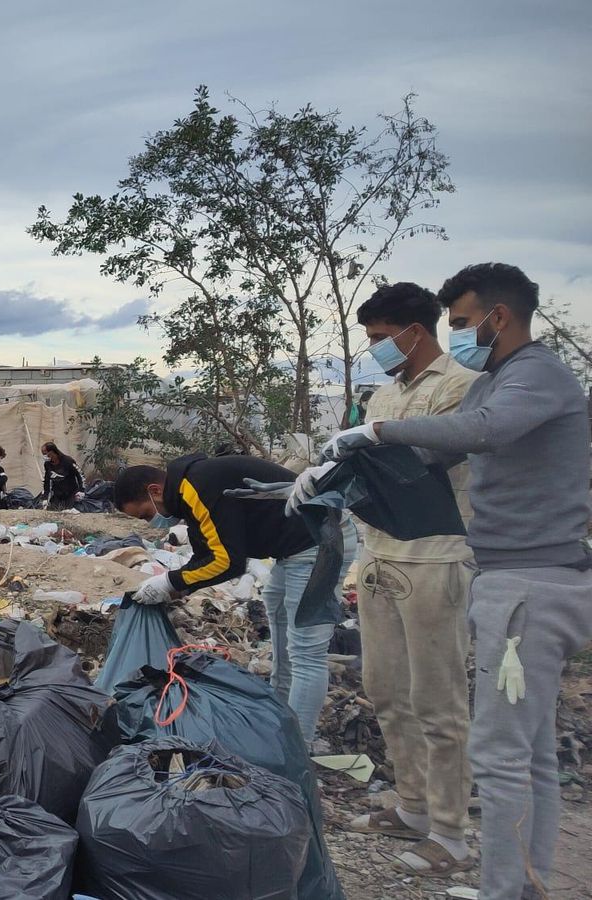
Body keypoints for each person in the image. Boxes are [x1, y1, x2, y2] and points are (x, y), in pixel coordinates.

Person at [314, 263, 592, 896]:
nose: (459, 332)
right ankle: (521, 881)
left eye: (463, 322)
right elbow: (433, 452)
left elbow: (478, 433)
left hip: (520, 579)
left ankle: (486, 869)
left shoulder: (533, 375)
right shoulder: (502, 378)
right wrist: (339, 468)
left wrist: (375, 431)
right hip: (496, 572)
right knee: (526, 753)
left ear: (497, 317)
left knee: (499, 754)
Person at [326, 282, 477, 873]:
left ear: (416, 331)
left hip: (435, 556)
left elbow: (423, 462)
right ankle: (411, 806)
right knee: (387, 690)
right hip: (380, 555)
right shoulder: (385, 394)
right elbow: (365, 469)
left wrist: (371, 448)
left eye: (382, 337)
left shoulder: (462, 388)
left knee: (437, 701)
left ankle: (451, 832)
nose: (376, 348)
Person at [114, 454, 357, 745]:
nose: (151, 521)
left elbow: (228, 561)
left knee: (305, 652)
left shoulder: (198, 487)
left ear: (154, 491)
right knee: (281, 635)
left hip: (319, 542)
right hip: (295, 548)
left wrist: (171, 581)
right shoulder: (189, 489)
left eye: (144, 514)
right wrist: (178, 585)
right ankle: (280, 726)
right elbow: (208, 550)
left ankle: (299, 750)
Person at [40, 442, 84, 510]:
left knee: (70, 511)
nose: (44, 456)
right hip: (57, 494)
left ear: (52, 452)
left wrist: (81, 490)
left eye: (45, 453)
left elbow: (80, 475)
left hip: (70, 493)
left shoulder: (68, 461)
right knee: (52, 511)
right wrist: (45, 497)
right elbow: (47, 481)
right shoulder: (47, 464)